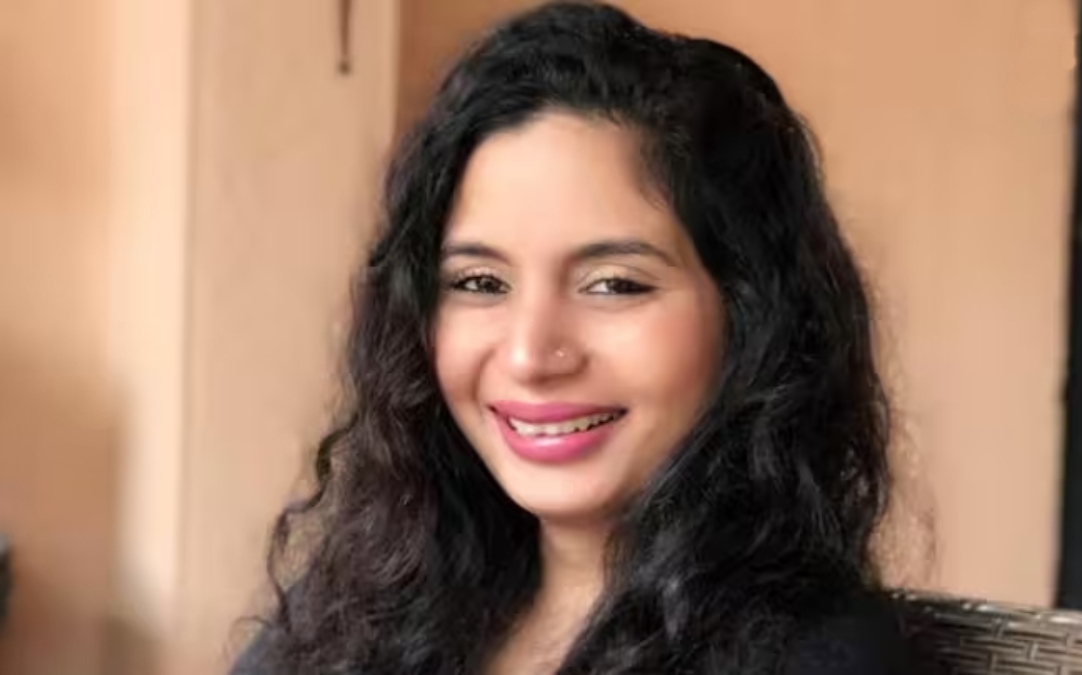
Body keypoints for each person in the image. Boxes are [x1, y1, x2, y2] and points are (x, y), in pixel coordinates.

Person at [232, 2, 913, 673]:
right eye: (480, 282)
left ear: (751, 315)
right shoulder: (351, 617)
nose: (530, 355)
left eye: (613, 284)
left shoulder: (818, 660)